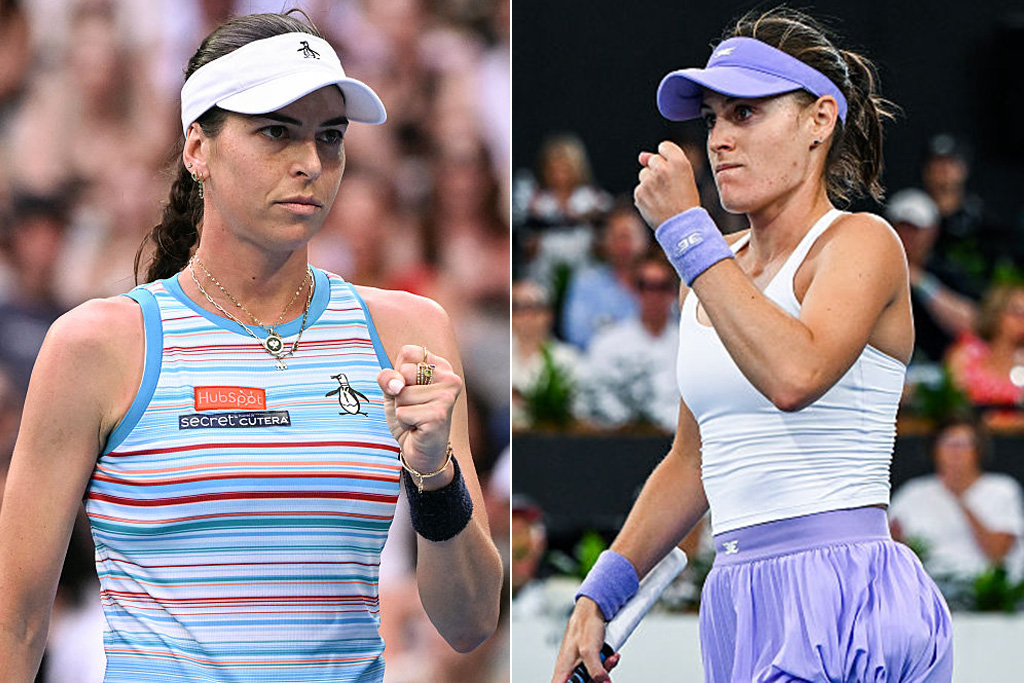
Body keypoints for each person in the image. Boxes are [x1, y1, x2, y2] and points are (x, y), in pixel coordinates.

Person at [0, 12, 502, 682]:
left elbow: (468, 622)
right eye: (276, 131)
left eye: (330, 136)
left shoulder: (409, 332)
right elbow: (16, 620)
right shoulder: (95, 344)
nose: (310, 162)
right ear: (197, 149)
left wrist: (436, 476)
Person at [552, 7, 952, 683]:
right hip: (738, 596)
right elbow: (692, 458)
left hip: (848, 591)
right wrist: (599, 593)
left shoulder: (862, 243)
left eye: (745, 114)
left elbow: (794, 375)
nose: (718, 140)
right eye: (712, 118)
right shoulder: (709, 272)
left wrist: (685, 230)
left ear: (819, 120)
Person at [890, 416, 1024, 590]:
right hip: (927, 590)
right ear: (934, 450)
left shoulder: (1002, 489)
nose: (955, 452)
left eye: (963, 444)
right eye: (947, 443)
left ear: (979, 450)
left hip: (984, 593)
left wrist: (960, 498)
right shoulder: (912, 492)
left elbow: (998, 552)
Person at [578, 253, 680, 432]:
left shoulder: (688, 343)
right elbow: (593, 397)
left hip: (677, 441)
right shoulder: (607, 343)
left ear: (672, 291)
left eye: (661, 287)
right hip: (622, 441)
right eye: (645, 286)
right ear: (634, 290)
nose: (653, 295)